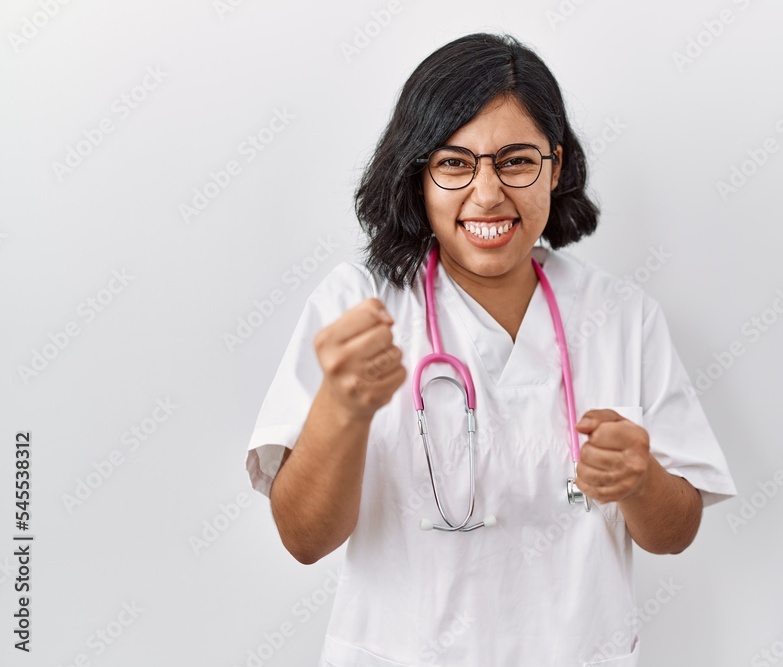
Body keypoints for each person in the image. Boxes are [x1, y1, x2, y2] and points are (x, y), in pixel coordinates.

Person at [245, 32, 737, 667]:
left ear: (555, 167)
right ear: (416, 173)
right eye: (453, 163)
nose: (486, 194)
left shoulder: (622, 317)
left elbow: (674, 534)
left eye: (516, 161)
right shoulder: (362, 306)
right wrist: (344, 406)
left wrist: (641, 481)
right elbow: (306, 539)